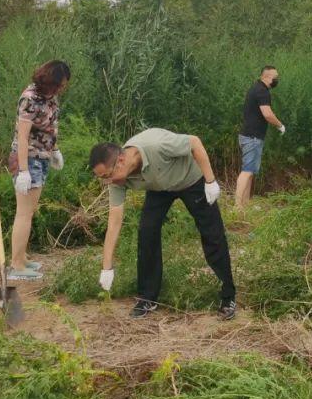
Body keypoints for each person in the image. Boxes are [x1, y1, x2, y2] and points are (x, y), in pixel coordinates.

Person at [89, 128, 236, 320]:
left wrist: (210, 181)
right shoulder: (117, 181)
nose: (106, 182)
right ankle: (147, 298)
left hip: (190, 180)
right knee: (146, 232)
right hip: (159, 188)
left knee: (212, 233)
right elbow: (114, 224)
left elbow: (194, 142)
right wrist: (106, 268)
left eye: (106, 176)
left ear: (121, 162)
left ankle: (228, 297)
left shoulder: (156, 145)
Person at [7, 60, 71, 281]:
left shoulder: (50, 97)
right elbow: (23, 136)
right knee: (24, 213)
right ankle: (15, 265)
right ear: (51, 79)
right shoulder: (30, 98)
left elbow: (50, 126)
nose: (62, 88)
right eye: (61, 83)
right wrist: (23, 171)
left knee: (30, 212)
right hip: (27, 158)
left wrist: (55, 149)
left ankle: (22, 257)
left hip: (42, 157)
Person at [235, 66, 284, 208]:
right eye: (275, 77)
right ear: (267, 77)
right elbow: (267, 114)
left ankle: (246, 203)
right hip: (252, 137)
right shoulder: (262, 91)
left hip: (248, 135)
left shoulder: (255, 88)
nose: (276, 80)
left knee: (249, 171)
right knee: (247, 172)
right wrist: (280, 125)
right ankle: (237, 207)